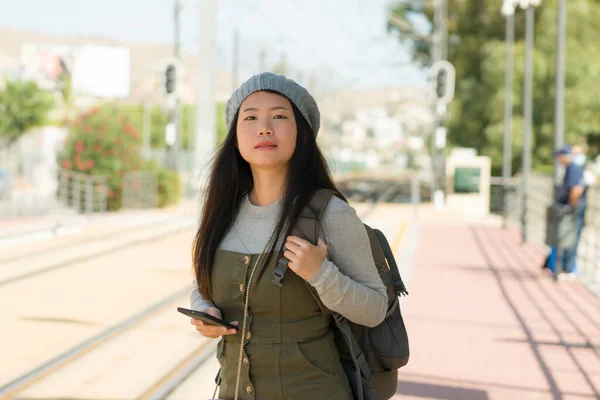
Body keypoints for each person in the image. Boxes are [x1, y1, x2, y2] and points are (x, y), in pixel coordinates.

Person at [188, 72, 387, 400]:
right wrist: (205, 311)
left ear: (303, 135)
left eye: (279, 116)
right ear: (235, 137)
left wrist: (321, 274)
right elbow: (202, 285)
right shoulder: (222, 213)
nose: (264, 127)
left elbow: (375, 308)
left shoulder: (330, 213)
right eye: (250, 117)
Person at [553, 145, 587, 278]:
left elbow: (576, 190)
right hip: (573, 207)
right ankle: (567, 267)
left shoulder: (573, 169)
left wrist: (571, 206)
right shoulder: (571, 168)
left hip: (574, 208)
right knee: (568, 236)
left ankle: (569, 268)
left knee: (571, 237)